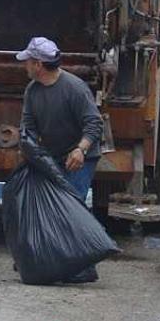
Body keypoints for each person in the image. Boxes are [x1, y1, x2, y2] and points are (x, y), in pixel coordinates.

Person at [16, 36, 104, 282]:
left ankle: (84, 266)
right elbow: (29, 124)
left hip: (80, 157)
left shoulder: (73, 88)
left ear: (38, 65)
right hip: (53, 156)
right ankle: (51, 260)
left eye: (27, 61)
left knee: (71, 208)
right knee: (50, 208)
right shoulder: (33, 90)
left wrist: (80, 149)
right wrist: (28, 147)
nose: (24, 66)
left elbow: (94, 123)